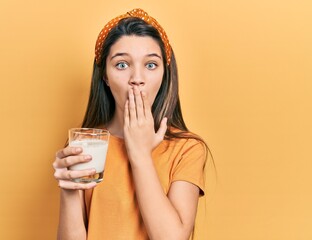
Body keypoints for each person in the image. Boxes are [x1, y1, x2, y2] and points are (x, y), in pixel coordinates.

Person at [53, 8, 209, 240]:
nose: (137, 78)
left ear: (165, 75)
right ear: (105, 75)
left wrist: (140, 153)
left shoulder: (187, 149)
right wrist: (68, 190)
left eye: (151, 65)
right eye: (122, 65)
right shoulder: (87, 145)